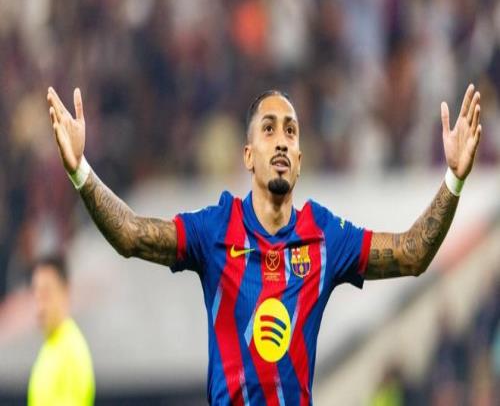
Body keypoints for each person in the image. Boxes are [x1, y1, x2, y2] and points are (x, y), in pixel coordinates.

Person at [46, 83, 481, 405]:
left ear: (299, 160)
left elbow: (411, 253)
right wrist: (80, 170)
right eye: (269, 129)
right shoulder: (215, 230)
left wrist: (454, 179)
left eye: (291, 132)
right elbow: (131, 234)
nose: (282, 141)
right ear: (249, 155)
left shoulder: (325, 236)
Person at [29, 255, 95, 406]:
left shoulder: (71, 351)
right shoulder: (50, 347)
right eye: (36, 294)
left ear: (66, 291)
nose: (40, 306)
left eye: (46, 294)